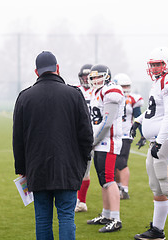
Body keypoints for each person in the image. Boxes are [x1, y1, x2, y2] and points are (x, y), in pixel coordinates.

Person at [13, 51, 93, 240]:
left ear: (36, 72)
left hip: (37, 167)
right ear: (57, 68)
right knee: (66, 216)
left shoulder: (25, 97)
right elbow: (86, 135)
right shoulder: (74, 94)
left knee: (42, 218)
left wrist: (22, 168)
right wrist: (82, 162)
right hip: (68, 167)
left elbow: (18, 138)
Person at [132, 47, 168, 240]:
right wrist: (138, 121)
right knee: (157, 187)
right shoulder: (159, 82)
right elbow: (154, 111)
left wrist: (159, 141)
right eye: (153, 65)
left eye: (158, 64)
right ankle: (157, 230)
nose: (155, 68)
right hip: (159, 140)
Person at [86, 64, 124, 233]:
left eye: (97, 76)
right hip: (100, 141)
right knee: (103, 180)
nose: (94, 80)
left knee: (109, 179)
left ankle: (116, 218)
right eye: (92, 77)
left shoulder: (111, 91)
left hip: (108, 141)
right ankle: (107, 214)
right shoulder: (97, 92)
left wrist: (93, 140)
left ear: (107, 76)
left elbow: (107, 123)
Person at [113, 73, 145, 200]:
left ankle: (124, 189)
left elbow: (138, 118)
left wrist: (142, 135)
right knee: (114, 163)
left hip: (126, 134)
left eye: (127, 86)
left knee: (121, 162)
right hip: (113, 134)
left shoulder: (133, 99)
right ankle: (117, 186)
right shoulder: (111, 97)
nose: (125, 89)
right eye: (122, 86)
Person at [75, 63, 93, 212]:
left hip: (93, 135)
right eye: (84, 76)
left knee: (86, 170)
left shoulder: (100, 92)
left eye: (89, 76)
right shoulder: (76, 90)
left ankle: (81, 201)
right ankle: (76, 200)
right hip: (75, 134)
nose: (86, 79)